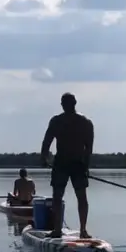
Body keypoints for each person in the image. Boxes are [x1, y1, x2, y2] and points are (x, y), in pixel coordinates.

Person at [40, 92, 94, 239]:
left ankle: (79, 230)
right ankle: (67, 230)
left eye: (65, 103)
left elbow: (88, 148)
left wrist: (44, 158)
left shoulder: (81, 122)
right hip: (67, 163)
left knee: (69, 197)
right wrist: (45, 158)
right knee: (62, 197)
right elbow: (47, 143)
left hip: (72, 164)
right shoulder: (83, 122)